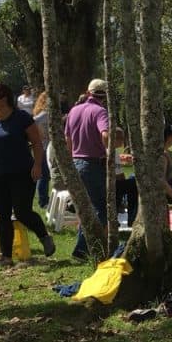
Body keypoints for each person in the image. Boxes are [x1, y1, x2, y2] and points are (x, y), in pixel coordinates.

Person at [0, 84, 55, 267]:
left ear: (4, 99)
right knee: (2, 214)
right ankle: (5, 256)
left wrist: (38, 165)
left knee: (22, 212)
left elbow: (37, 143)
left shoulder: (22, 118)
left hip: (22, 173)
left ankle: (44, 236)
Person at [64, 79, 111, 260]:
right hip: (93, 164)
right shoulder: (100, 111)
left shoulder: (74, 111)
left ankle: (83, 248)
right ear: (105, 95)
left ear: (88, 91)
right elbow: (105, 134)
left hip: (76, 162)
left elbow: (67, 140)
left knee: (85, 207)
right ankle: (86, 248)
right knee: (100, 207)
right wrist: (108, 151)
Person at [31, 91, 52, 209]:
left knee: (45, 175)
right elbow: (33, 121)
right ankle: (43, 201)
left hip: (45, 147)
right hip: (44, 147)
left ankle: (45, 199)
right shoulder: (44, 114)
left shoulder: (43, 113)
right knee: (44, 175)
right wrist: (41, 134)